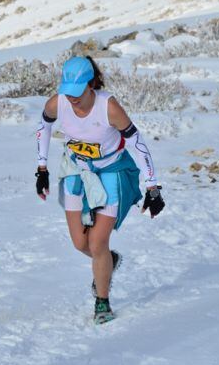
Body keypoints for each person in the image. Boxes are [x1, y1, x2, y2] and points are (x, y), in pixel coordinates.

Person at [35, 56, 165, 324]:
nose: (71, 98)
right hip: (75, 170)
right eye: (67, 90)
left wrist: (153, 186)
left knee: (97, 243)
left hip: (111, 172)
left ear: (91, 84)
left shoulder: (110, 108)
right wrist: (42, 168)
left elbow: (137, 145)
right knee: (80, 243)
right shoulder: (57, 102)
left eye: (77, 91)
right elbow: (44, 126)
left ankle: (102, 302)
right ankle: (108, 261)